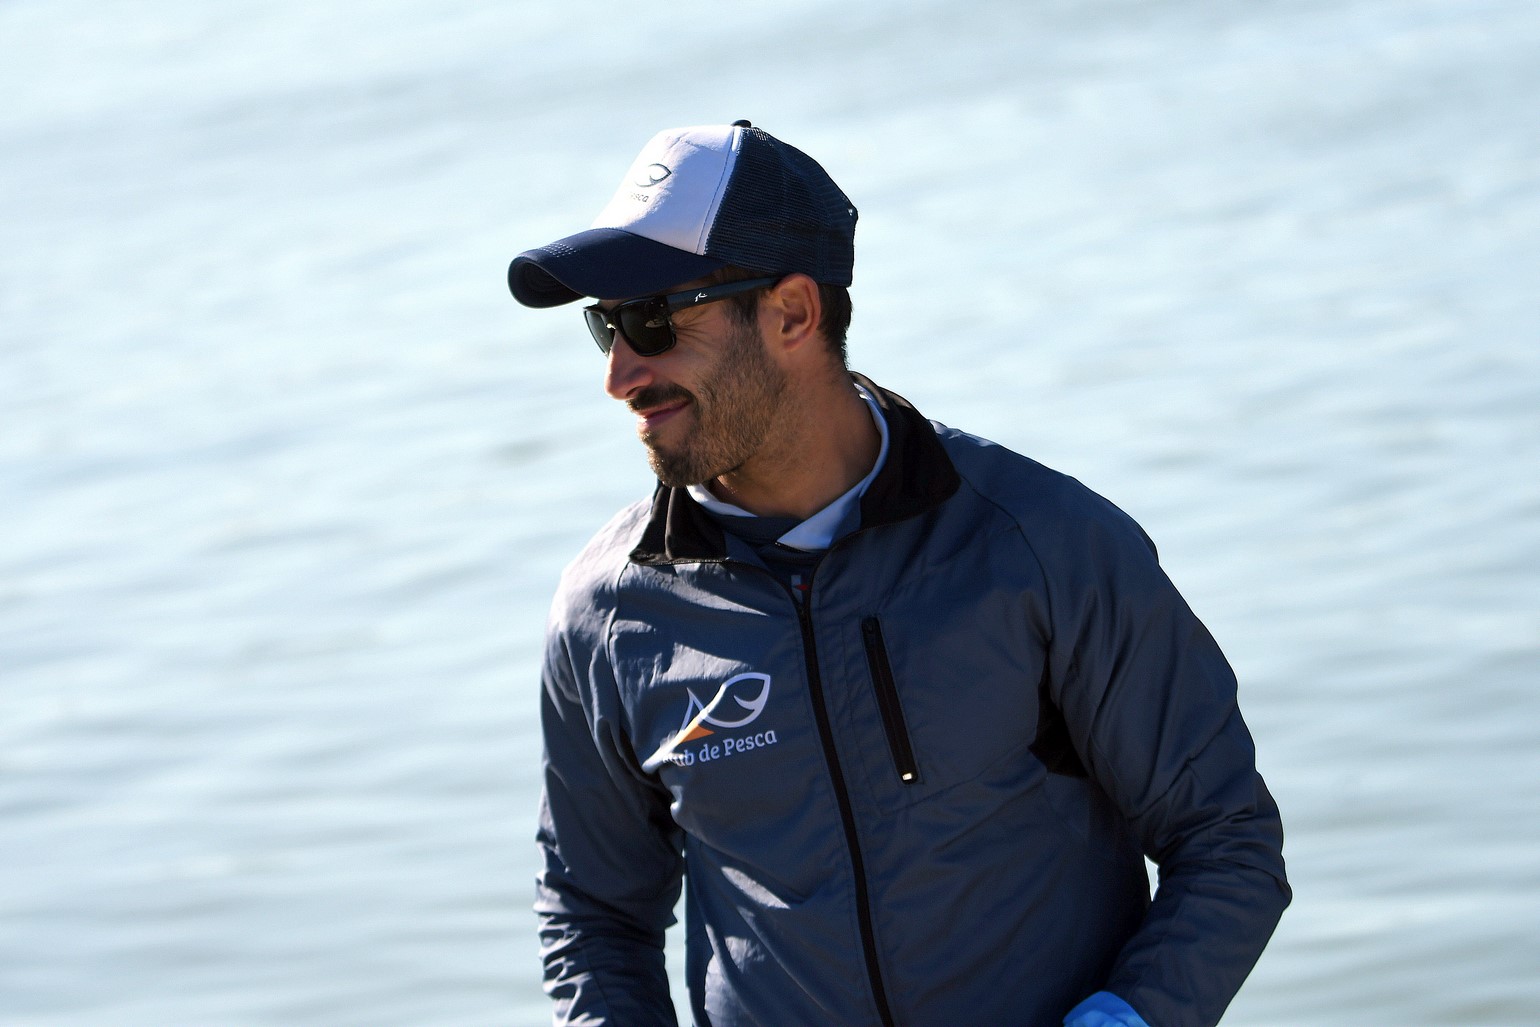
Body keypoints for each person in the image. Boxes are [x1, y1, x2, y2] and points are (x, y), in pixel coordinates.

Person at [507, 120, 1290, 1027]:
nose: (619, 374)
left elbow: (1225, 837)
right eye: (605, 326)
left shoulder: (1043, 544)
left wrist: (1128, 1016)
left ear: (792, 313)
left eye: (651, 320)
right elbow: (594, 915)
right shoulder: (607, 614)